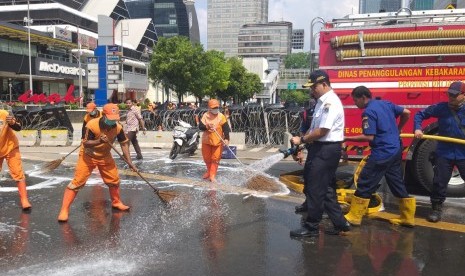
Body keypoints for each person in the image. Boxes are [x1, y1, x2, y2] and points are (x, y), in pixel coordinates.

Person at [289, 70, 349, 237]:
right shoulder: (321, 102)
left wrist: (301, 141)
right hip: (320, 149)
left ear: (324, 84)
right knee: (326, 188)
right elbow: (313, 128)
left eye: (314, 87)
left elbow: (322, 130)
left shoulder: (330, 103)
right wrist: (301, 142)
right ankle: (341, 223)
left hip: (326, 149)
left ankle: (312, 227)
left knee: (315, 188)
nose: (312, 90)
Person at [344, 86, 415, 227]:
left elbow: (369, 137)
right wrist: (399, 129)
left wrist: (346, 137)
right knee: (396, 182)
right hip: (395, 150)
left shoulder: (368, 112)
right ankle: (407, 217)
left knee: (365, 180)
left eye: (355, 100)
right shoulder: (385, 103)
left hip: (383, 151)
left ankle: (355, 216)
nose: (355, 103)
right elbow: (407, 112)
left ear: (364, 97)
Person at [57, 103, 136, 222]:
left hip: (105, 155)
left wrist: (130, 162)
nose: (112, 122)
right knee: (77, 182)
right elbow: (86, 143)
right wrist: (99, 140)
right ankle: (64, 210)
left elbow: (124, 143)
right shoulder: (92, 125)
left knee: (114, 180)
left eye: (114, 119)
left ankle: (116, 202)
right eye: (110, 119)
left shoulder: (118, 127)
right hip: (88, 155)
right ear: (103, 115)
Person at [414, 81, 465, 222]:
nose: (451, 98)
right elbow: (420, 114)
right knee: (439, 182)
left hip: (463, 153)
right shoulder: (441, 108)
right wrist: (417, 128)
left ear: (463, 95)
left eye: (454, 95)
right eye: (449, 94)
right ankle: (436, 209)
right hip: (444, 152)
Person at [0, 106, 32, 210]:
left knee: (17, 172)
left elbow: (18, 127)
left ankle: (24, 200)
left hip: (10, 147)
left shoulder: (3, 114)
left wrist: (12, 123)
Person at [198, 99, 231, 182]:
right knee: (207, 158)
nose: (215, 109)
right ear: (209, 108)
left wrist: (226, 139)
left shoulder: (221, 116)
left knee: (215, 158)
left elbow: (226, 128)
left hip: (218, 141)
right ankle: (208, 172)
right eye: (213, 108)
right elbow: (200, 127)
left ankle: (212, 175)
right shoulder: (205, 116)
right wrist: (207, 126)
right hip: (207, 141)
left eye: (217, 107)